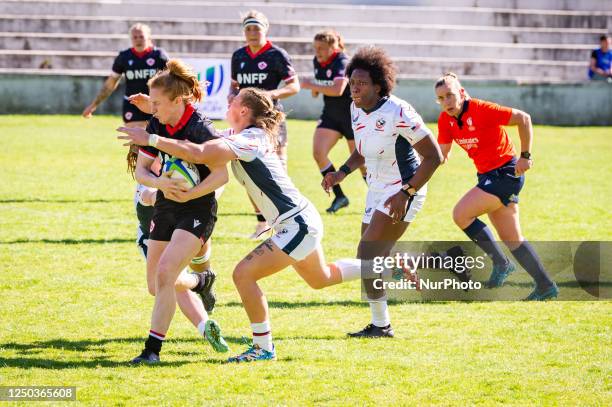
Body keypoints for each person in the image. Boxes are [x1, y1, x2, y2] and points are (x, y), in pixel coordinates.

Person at [118, 87, 401, 362]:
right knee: (321, 278)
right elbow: (195, 131)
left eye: (233, 101)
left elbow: (202, 152)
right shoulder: (242, 135)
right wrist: (160, 106)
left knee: (244, 274)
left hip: (297, 224)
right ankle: (390, 267)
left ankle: (263, 348)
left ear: (243, 110)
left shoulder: (250, 139)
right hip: (299, 220)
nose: (227, 103)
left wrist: (151, 139)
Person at [322, 46, 443, 337]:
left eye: (362, 83)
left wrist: (407, 191)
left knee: (367, 254)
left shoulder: (398, 111)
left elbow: (434, 156)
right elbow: (365, 151)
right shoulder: (355, 108)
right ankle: (399, 271)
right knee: (368, 255)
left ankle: (381, 324)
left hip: (403, 189)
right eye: (352, 82)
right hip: (376, 189)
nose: (355, 88)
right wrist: (342, 171)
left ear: (379, 85)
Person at [118, 59, 229, 364]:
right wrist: (160, 183)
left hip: (198, 206)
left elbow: (222, 176)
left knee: (167, 272)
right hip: (167, 203)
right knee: (156, 285)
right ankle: (200, 281)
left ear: (177, 101)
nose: (151, 109)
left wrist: (190, 192)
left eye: (156, 103)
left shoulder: (200, 127)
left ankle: (151, 351)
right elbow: (141, 172)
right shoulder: (157, 123)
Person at [434, 72, 559, 300]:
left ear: (461, 93)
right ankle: (545, 285)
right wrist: (420, 157)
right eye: (441, 98)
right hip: (486, 177)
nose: (446, 102)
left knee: (461, 214)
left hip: (506, 173)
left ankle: (501, 263)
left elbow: (524, 118)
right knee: (512, 238)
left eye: (450, 95)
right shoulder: (445, 120)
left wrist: (526, 156)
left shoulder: (482, 109)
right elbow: (443, 154)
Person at [230, 10, 300, 238]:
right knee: (249, 170)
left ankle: (289, 218)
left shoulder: (276, 55)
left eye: (256, 27)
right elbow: (234, 86)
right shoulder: (239, 56)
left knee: (277, 169)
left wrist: (271, 94)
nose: (252, 32)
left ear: (265, 29)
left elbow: (294, 86)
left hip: (272, 121)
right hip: (246, 123)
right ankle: (262, 223)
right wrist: (232, 99)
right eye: (248, 28)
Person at [300, 30, 366, 214]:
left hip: (351, 116)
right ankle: (340, 196)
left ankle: (377, 199)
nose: (317, 52)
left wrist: (310, 85)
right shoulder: (317, 61)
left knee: (361, 162)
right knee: (318, 153)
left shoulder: (342, 62)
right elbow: (319, 89)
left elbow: (338, 89)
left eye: (321, 48)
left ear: (333, 47)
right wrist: (315, 88)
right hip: (330, 114)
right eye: (315, 48)